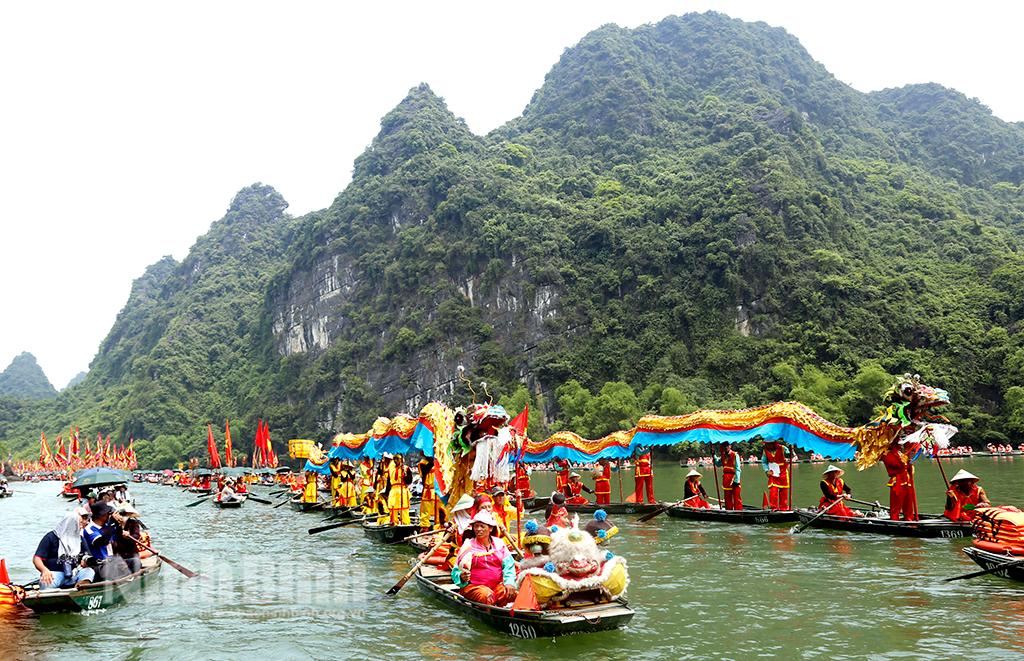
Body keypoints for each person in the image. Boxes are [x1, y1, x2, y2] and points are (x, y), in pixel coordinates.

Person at [451, 511, 517, 606]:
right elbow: (455, 571)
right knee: (486, 595)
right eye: (476, 526)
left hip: (496, 586)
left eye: (482, 526)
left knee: (510, 593)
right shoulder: (468, 545)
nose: (478, 529)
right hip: (474, 587)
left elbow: (509, 567)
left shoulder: (499, 544)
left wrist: (509, 583)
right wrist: (461, 576)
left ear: (490, 528)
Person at [33, 508, 96, 589]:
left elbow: (87, 557)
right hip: (55, 574)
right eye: (79, 523)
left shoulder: (80, 539)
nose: (81, 526)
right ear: (71, 524)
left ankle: (80, 587)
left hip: (74, 573)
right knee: (45, 582)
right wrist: (44, 570)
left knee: (89, 571)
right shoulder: (51, 537)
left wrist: (85, 563)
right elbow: (37, 558)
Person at [82, 502, 131, 581]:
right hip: (99, 565)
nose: (110, 515)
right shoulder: (89, 529)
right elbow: (102, 541)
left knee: (135, 562)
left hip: (111, 561)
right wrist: (111, 523)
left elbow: (118, 539)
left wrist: (119, 526)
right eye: (108, 513)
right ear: (101, 515)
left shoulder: (106, 526)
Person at [881, 440, 918, 521]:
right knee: (896, 506)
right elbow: (896, 465)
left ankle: (909, 519)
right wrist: (905, 457)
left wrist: (909, 462)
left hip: (907, 481)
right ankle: (895, 520)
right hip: (897, 482)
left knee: (908, 504)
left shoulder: (901, 453)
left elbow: (907, 466)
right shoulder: (886, 454)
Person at [760, 438, 791, 510]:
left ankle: (784, 508)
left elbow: (789, 455)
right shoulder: (765, 451)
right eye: (766, 444)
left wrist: (790, 451)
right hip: (772, 473)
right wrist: (766, 470)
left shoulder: (783, 448)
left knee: (784, 492)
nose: (767, 446)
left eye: (769, 444)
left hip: (782, 472)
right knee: (773, 491)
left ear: (774, 443)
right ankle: (773, 508)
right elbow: (764, 462)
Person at [714, 442, 743, 510]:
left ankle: (738, 511)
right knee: (727, 497)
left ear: (730, 446)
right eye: (724, 446)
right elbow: (718, 464)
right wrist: (714, 456)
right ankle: (729, 510)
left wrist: (737, 480)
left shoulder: (735, 455)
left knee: (736, 496)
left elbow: (738, 468)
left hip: (733, 477)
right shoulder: (723, 455)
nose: (725, 447)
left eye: (727, 446)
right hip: (726, 478)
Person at [387, 455, 412, 525]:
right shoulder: (391, 468)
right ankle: (393, 522)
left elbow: (409, 481)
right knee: (392, 508)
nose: (395, 461)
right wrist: (386, 493)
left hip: (402, 490)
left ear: (401, 459)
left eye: (397, 459)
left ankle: (405, 523)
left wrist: (405, 475)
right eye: (394, 459)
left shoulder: (406, 468)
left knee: (404, 508)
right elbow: (388, 482)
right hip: (393, 490)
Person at [418, 458, 441, 531]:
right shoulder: (422, 463)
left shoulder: (440, 461)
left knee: (439, 510)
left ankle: (439, 527)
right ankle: (425, 527)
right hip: (428, 490)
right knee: (425, 510)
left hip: (438, 491)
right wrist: (433, 460)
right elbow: (425, 470)